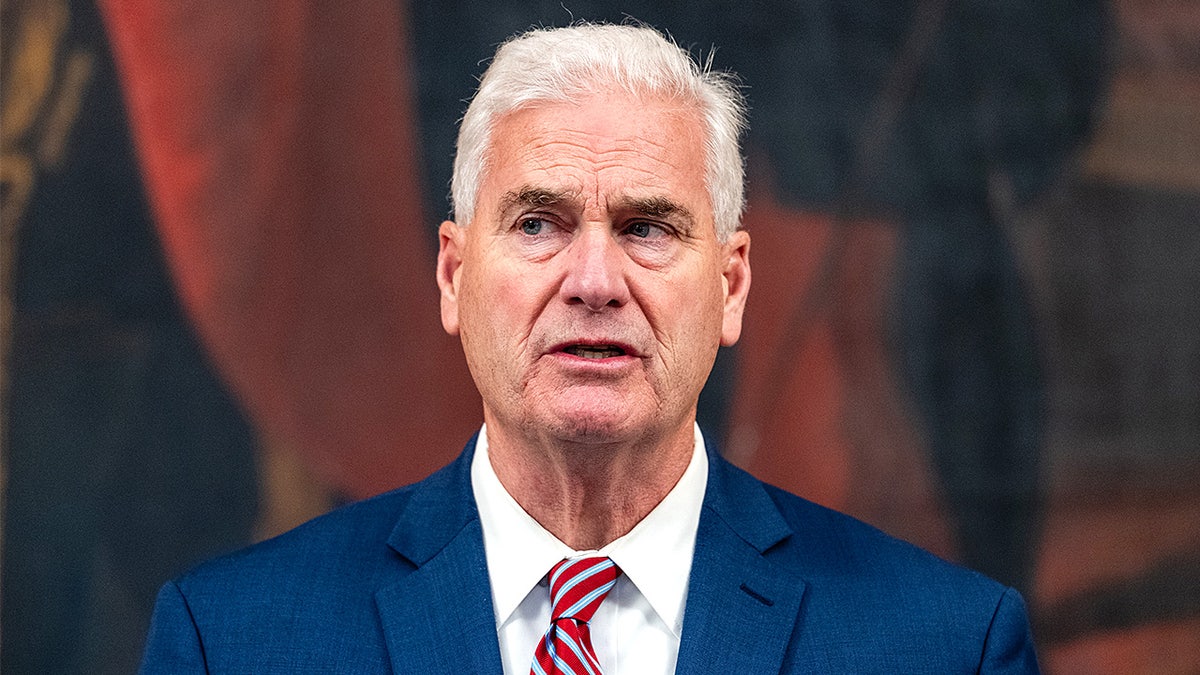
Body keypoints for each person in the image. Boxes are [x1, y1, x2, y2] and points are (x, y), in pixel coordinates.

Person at [140, 23, 1039, 673]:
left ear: (730, 286)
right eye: (538, 223)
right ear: (452, 277)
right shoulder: (234, 640)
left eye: (649, 228)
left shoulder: (944, 646)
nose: (594, 281)